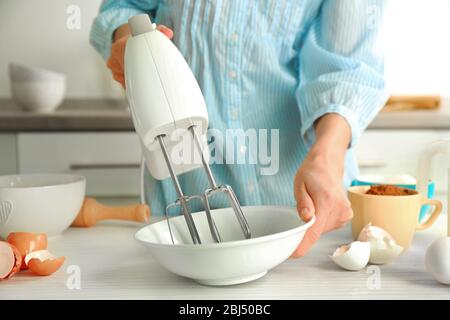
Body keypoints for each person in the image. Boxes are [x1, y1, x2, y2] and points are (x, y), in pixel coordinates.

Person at [90, 0, 388, 256]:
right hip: (187, 208)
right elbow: (123, 8)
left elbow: (349, 67)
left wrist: (327, 157)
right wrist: (126, 41)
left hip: (300, 203)